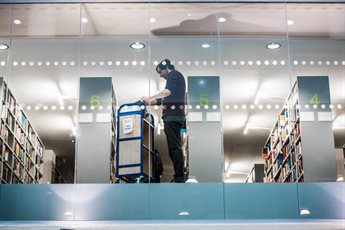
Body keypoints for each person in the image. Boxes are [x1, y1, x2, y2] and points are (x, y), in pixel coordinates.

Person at [140, 59, 186, 183]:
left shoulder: (174, 75)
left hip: (173, 117)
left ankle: (179, 178)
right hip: (172, 117)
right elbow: (163, 100)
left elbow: (167, 92)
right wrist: (149, 102)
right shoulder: (175, 77)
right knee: (173, 148)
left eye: (160, 72)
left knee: (174, 148)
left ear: (166, 67)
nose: (160, 75)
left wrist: (149, 97)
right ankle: (178, 176)